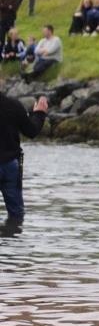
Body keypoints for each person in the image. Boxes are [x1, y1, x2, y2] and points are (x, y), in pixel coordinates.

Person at [0, 87, 46, 233]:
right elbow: (31, 131)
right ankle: (13, 248)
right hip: (10, 166)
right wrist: (39, 113)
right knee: (16, 215)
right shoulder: (13, 105)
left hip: (10, 164)